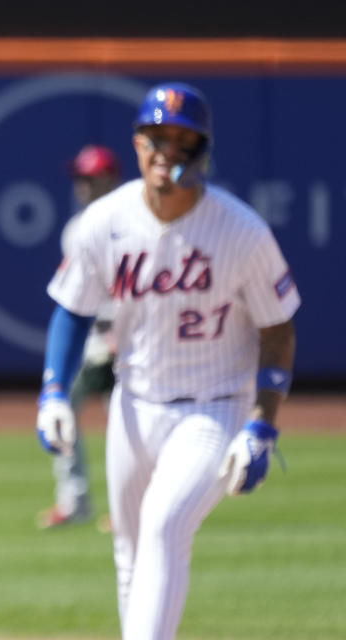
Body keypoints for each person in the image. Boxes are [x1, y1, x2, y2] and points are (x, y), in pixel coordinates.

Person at [35, 82, 298, 639]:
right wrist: (54, 390)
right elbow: (71, 310)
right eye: (157, 137)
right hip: (134, 405)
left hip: (215, 406)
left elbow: (277, 329)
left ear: (203, 149)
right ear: (137, 144)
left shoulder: (241, 230)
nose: (168, 152)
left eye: (184, 140)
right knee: (130, 555)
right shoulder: (104, 221)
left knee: (163, 526)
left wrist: (262, 424)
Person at [36, 144, 121, 530]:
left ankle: (128, 507)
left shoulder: (132, 220)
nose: (81, 185)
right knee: (62, 410)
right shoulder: (78, 228)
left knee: (129, 426)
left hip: (128, 340)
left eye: (88, 178)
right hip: (92, 341)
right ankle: (75, 501)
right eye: (79, 178)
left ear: (108, 179)